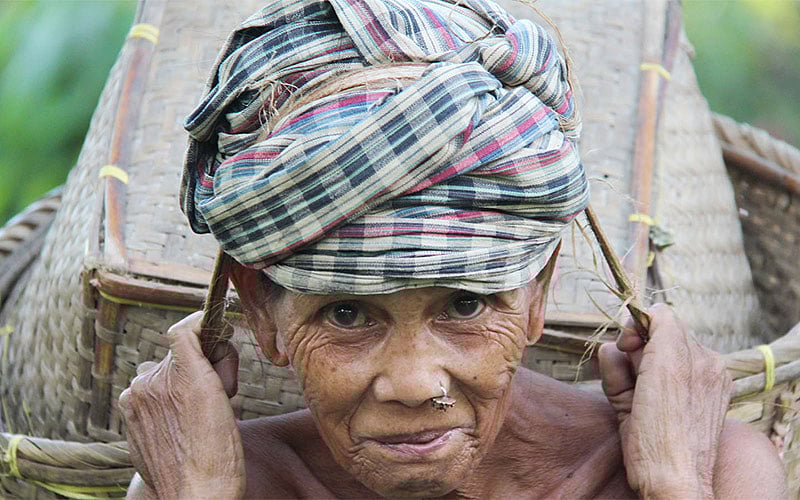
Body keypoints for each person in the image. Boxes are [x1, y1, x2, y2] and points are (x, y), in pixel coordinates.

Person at [119, 0, 787, 497]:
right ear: (262, 314)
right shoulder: (203, 480)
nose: (415, 385)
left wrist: (671, 483)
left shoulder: (712, 468)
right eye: (347, 314)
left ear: (536, 295)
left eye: (465, 305)